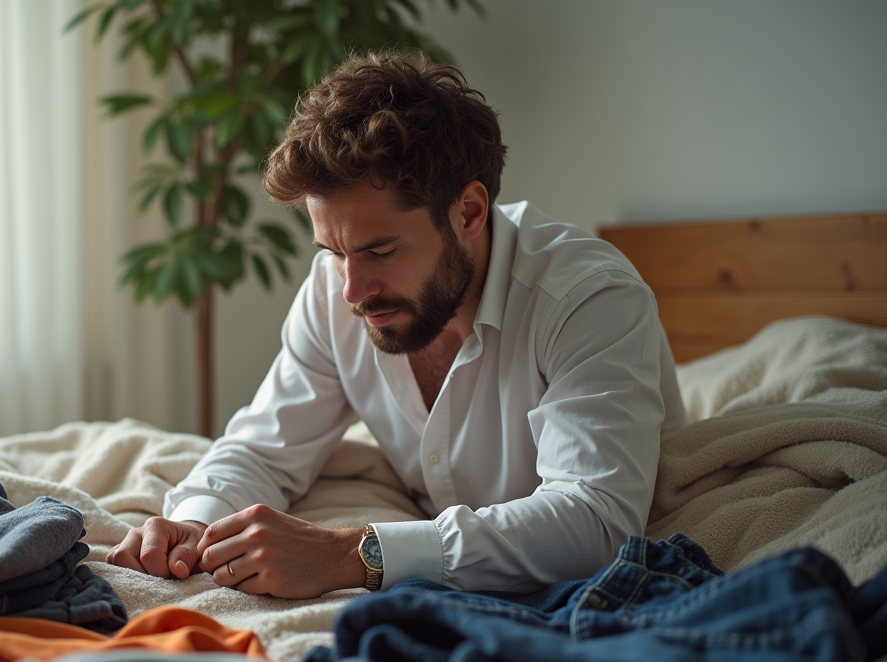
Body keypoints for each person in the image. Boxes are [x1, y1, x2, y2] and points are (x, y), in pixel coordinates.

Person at [106, 52, 686, 599]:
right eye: (334, 251)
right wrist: (192, 523)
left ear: (470, 212)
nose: (352, 291)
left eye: (380, 251)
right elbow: (262, 448)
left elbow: (597, 519)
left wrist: (356, 555)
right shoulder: (333, 291)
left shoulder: (587, 299)